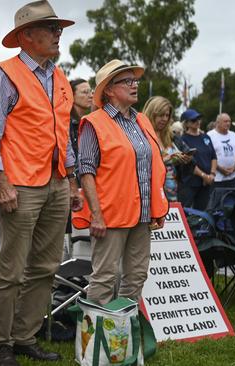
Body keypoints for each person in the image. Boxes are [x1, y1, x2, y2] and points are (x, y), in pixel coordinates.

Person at [0, 1, 81, 364]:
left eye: (58, 28)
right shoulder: (4, 74)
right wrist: (0, 183)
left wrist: (70, 182)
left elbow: (63, 135)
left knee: (46, 267)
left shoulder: (59, 76)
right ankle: (1, 343)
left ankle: (25, 336)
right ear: (26, 36)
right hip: (18, 186)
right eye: (51, 28)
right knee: (12, 269)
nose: (58, 34)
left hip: (54, 184)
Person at [75, 59, 168, 307]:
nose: (134, 85)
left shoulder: (142, 121)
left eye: (135, 80)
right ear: (108, 89)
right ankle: (94, 340)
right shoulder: (94, 122)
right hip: (110, 215)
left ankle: (121, 335)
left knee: (136, 276)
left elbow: (151, 165)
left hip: (142, 215)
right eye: (127, 81)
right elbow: (86, 171)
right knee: (104, 278)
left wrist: (156, 207)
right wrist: (96, 214)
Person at [142, 96, 191, 201]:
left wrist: (181, 159)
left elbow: (174, 159)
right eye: (161, 115)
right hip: (151, 192)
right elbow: (140, 164)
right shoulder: (141, 134)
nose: (164, 119)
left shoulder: (170, 135)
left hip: (172, 191)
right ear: (152, 113)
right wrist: (167, 159)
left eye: (167, 115)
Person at [178, 109, 217, 210]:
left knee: (202, 212)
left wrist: (212, 175)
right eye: (194, 120)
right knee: (185, 211)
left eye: (198, 119)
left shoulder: (206, 137)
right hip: (190, 183)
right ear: (186, 123)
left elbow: (213, 156)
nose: (197, 122)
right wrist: (204, 176)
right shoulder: (183, 140)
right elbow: (188, 162)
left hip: (206, 183)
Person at [207, 113, 235, 188]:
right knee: (216, 199)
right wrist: (220, 168)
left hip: (232, 177)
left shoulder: (234, 135)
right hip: (216, 178)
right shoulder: (209, 136)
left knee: (232, 199)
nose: (228, 123)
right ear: (218, 123)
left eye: (229, 121)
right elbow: (207, 156)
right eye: (225, 121)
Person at [69, 78, 93, 158]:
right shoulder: (67, 123)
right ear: (72, 95)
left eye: (91, 91)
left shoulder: (87, 121)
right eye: (85, 92)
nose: (91, 96)